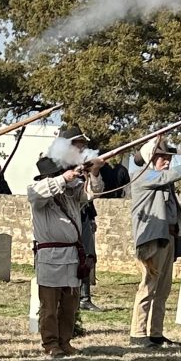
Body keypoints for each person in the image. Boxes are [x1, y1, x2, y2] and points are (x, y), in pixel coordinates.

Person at [129, 137, 181, 346]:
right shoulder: (141, 176)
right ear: (150, 158)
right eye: (161, 157)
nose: (166, 161)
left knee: (163, 289)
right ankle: (138, 334)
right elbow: (168, 175)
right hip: (152, 240)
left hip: (167, 238)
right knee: (148, 287)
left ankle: (155, 333)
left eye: (167, 157)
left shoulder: (163, 180)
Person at [27, 156, 103, 356]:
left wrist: (93, 172)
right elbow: (42, 191)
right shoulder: (37, 192)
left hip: (71, 255)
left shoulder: (71, 193)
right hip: (49, 256)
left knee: (70, 305)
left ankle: (65, 341)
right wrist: (64, 178)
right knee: (49, 307)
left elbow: (93, 193)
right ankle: (51, 343)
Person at [59, 125, 105, 312]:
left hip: (83, 216)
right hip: (63, 218)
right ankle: (66, 296)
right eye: (78, 145)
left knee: (87, 256)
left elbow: (94, 193)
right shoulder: (56, 166)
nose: (81, 148)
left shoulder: (84, 166)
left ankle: (84, 298)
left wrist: (94, 172)